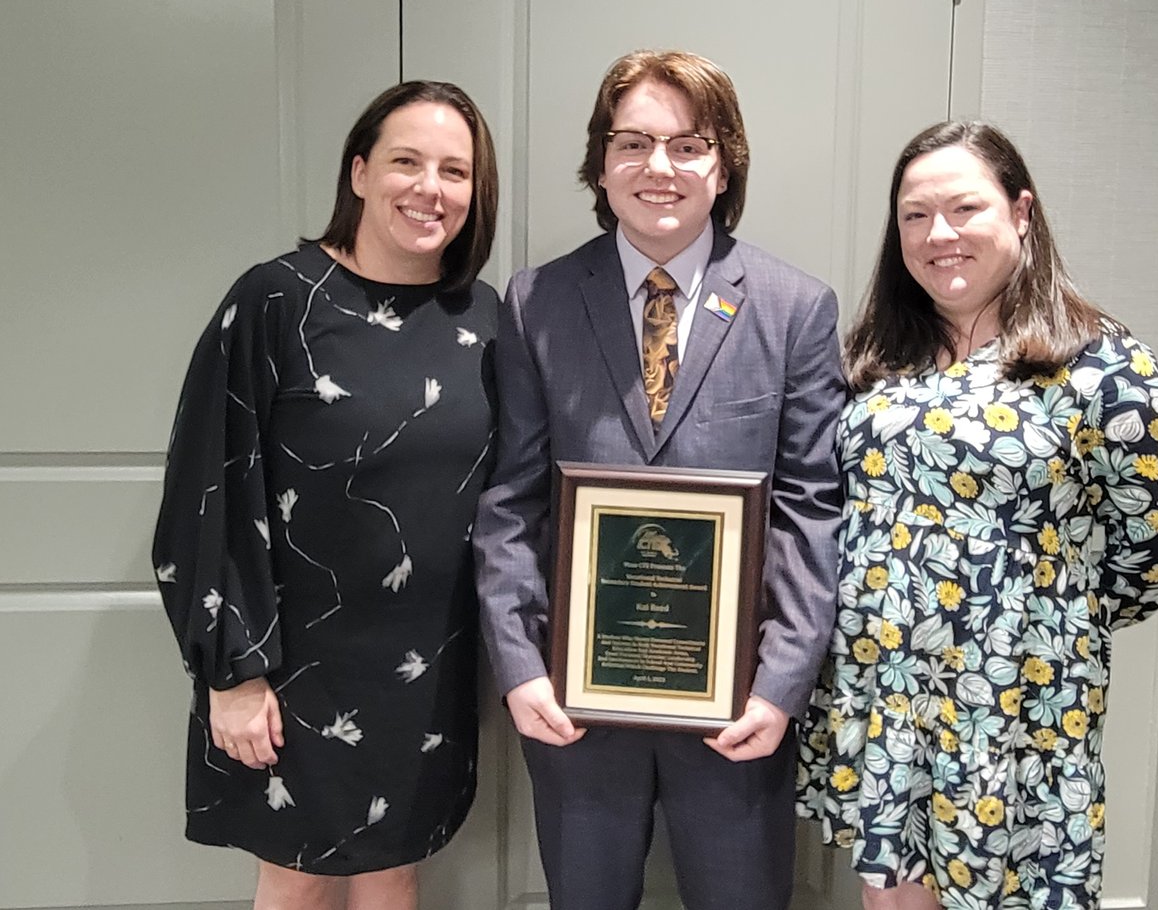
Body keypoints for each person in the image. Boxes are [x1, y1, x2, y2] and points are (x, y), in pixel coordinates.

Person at [473, 49, 845, 910]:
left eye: (688, 145)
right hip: (576, 703)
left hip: (736, 705)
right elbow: (512, 501)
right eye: (632, 143)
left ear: (725, 165)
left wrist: (781, 684)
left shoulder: (796, 309)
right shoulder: (536, 301)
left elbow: (809, 510)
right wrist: (520, 665)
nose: (659, 168)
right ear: (601, 165)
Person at [795, 121, 1158, 910]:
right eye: (914, 215)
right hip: (887, 707)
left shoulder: (1103, 365)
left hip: (1017, 717)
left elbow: (1156, 551)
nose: (938, 234)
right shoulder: (874, 357)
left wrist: (1031, 624)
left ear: (1021, 213)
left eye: (963, 209)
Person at [151, 80, 501, 910]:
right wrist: (231, 673)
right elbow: (207, 488)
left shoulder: (484, 316)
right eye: (406, 162)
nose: (430, 188)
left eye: (455, 171)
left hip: (429, 664)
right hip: (292, 665)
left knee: (396, 868)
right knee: (298, 875)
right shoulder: (276, 300)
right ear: (358, 172)